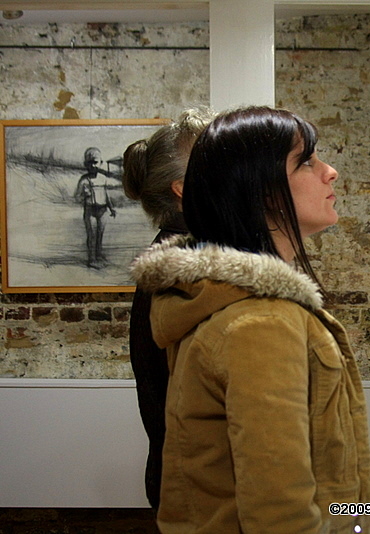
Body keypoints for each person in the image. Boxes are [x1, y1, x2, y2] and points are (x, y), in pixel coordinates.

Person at [130, 106, 370, 533]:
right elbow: (279, 513)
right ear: (259, 190)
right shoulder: (260, 324)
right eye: (306, 161)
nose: (330, 172)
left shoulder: (240, 307)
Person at [122, 106, 216, 511]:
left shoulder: (193, 253)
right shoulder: (181, 265)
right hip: (197, 489)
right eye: (215, 159)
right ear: (182, 187)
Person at [74, 147, 117, 268]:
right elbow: (76, 197)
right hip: (90, 210)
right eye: (90, 163)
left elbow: (106, 194)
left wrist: (111, 208)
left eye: (95, 162)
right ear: (85, 164)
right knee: (92, 234)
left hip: (103, 210)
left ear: (101, 163)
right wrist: (84, 195)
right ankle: (91, 259)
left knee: (100, 234)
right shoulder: (83, 180)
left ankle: (98, 255)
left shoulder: (103, 178)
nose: (92, 165)